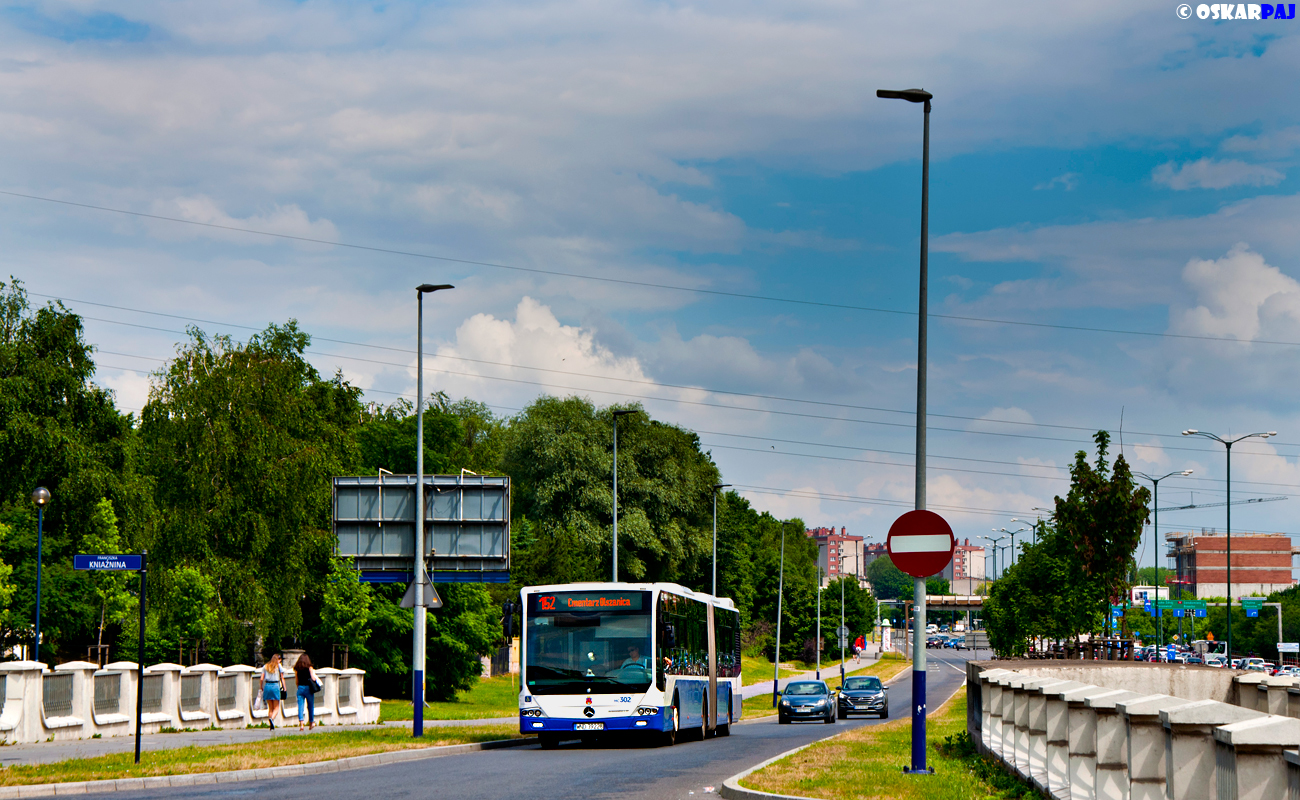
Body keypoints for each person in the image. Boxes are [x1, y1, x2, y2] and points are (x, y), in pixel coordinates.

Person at [259, 652, 286, 730]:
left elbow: (261, 678)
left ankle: (271, 724)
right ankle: (272, 719)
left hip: (267, 686)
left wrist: (261, 687)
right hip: (275, 686)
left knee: (270, 707)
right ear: (278, 659)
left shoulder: (265, 666)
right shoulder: (278, 666)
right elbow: (282, 677)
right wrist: (284, 688)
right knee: (276, 707)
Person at [295, 653, 320, 731]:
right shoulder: (310, 668)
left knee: (300, 706)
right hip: (308, 688)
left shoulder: (297, 669)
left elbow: (296, 680)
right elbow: (313, 678)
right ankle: (311, 722)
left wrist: (299, 687)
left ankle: (301, 724)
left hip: (300, 688)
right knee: (310, 706)